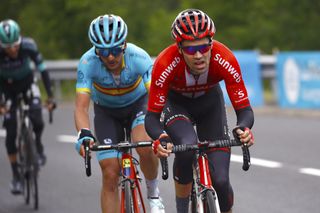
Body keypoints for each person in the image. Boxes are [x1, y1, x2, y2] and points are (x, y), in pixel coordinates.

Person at [145, 9, 255, 213]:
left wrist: (243, 128)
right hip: (176, 104)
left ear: (211, 43)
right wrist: (160, 137)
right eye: (190, 49)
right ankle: (181, 209)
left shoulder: (225, 58)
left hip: (209, 103)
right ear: (179, 48)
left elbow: (244, 109)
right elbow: (151, 117)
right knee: (187, 146)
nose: (198, 55)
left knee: (221, 181)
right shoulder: (164, 63)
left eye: (204, 47)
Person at [74, 14, 165, 213]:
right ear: (95, 49)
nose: (111, 57)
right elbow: (81, 107)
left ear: (124, 45)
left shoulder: (139, 57)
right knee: (110, 173)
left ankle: (153, 193)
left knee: (145, 147)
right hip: (106, 111)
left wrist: (161, 127)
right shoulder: (87, 62)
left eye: (116, 50)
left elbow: (156, 97)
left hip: (138, 105)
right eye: (104, 51)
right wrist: (84, 134)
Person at [0, 19, 56, 194]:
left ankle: (38, 146)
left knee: (38, 120)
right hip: (7, 90)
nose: (13, 50)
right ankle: (16, 175)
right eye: (8, 47)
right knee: (10, 132)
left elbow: (43, 71)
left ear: (20, 39)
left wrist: (51, 97)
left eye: (15, 45)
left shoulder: (29, 46)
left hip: (27, 85)